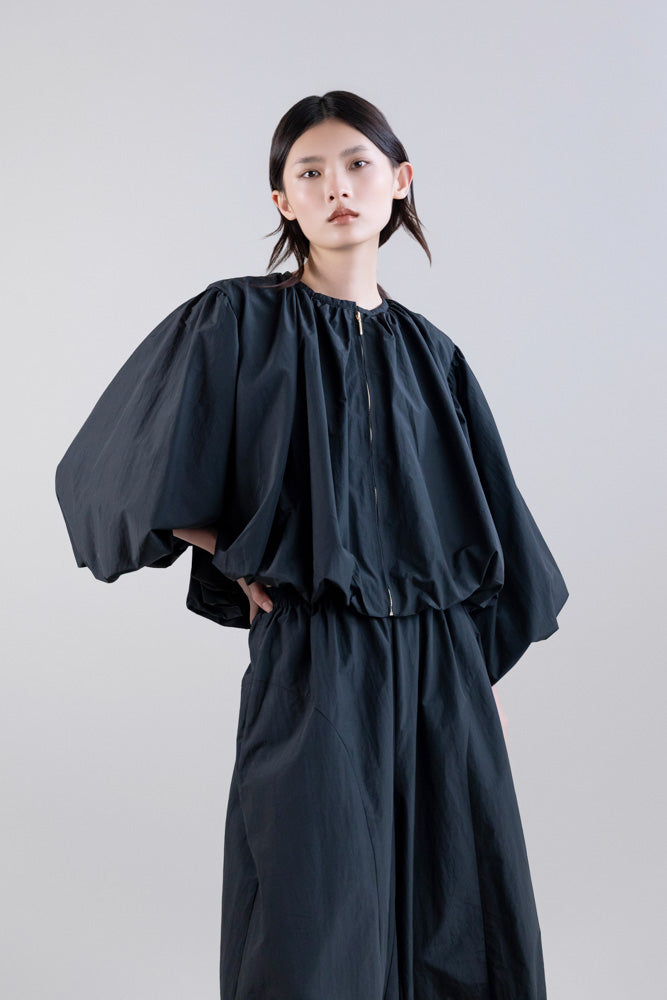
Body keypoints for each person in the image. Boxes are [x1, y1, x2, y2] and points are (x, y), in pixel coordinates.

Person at [55, 90, 568, 1000]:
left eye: (358, 164)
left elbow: (489, 532)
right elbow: (108, 469)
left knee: (456, 907)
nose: (338, 187)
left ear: (399, 181)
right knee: (314, 916)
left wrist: (457, 659)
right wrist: (235, 548)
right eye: (310, 171)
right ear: (282, 201)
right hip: (316, 655)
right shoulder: (235, 321)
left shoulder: (432, 355)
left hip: (439, 665)